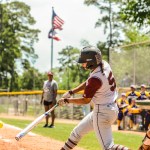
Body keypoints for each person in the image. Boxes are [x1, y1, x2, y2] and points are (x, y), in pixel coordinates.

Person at [58, 46, 130, 150]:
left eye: (84, 62)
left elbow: (85, 100)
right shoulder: (104, 64)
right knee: (77, 133)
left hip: (102, 113)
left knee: (108, 147)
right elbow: (88, 82)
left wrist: (66, 101)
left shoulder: (95, 79)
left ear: (91, 62)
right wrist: (71, 92)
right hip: (110, 109)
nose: (83, 64)